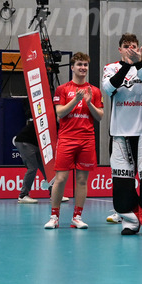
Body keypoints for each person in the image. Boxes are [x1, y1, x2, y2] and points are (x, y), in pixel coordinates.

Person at [100, 33, 142, 236]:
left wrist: (138, 64)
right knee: (122, 182)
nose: (130, 48)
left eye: (134, 46)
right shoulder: (111, 68)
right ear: (120, 49)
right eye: (126, 46)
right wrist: (127, 65)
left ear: (140, 49)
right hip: (119, 133)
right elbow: (109, 88)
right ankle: (129, 221)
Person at [45, 53, 103, 229]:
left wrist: (88, 102)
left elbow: (100, 116)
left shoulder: (94, 91)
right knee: (60, 178)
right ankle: (54, 217)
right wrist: (76, 101)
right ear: (72, 67)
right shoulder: (62, 89)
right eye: (79, 64)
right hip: (67, 139)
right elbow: (60, 113)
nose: (83, 68)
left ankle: (77, 217)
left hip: (87, 139)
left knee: (82, 180)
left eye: (85, 65)